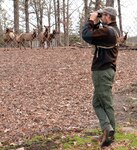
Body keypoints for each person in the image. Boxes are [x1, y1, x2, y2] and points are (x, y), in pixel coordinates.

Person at [82, 7, 120, 148]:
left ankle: (110, 133)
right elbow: (98, 34)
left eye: (102, 15)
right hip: (106, 70)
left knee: (105, 103)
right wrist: (98, 22)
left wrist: (91, 20)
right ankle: (107, 131)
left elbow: (86, 35)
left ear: (108, 16)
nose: (101, 17)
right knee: (97, 103)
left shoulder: (108, 31)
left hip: (102, 72)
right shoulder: (113, 30)